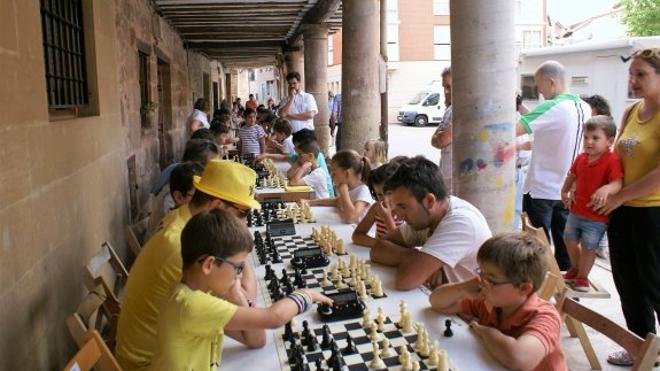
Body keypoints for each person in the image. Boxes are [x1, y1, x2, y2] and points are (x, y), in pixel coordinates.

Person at [116, 160, 263, 370]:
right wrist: (239, 248)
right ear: (216, 206)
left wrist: (234, 247)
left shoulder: (183, 221)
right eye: (242, 213)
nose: (245, 222)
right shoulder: (184, 250)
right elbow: (253, 335)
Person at [149, 209, 332, 371]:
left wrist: (236, 295)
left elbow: (257, 341)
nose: (239, 276)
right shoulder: (193, 306)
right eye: (238, 268)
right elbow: (274, 318)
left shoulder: (195, 293)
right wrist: (307, 294)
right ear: (209, 264)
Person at [593, 48, 660, 367]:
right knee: (628, 284)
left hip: (653, 213)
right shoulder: (632, 112)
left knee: (654, 282)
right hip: (623, 212)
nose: (632, 80)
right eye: (631, 74)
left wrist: (620, 196)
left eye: (641, 74)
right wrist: (605, 184)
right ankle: (642, 348)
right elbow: (617, 158)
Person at [429, 233, 566, 371]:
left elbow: (519, 359)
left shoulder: (546, 317)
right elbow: (437, 303)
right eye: (480, 272)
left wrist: (485, 332)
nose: (480, 282)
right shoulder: (490, 302)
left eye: (490, 279)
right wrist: (462, 288)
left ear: (523, 288)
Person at [370, 156, 492, 291]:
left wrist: (420, 263)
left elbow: (405, 281)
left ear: (429, 201)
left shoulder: (461, 222)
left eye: (403, 206)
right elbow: (378, 249)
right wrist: (417, 257)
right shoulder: (426, 216)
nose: (397, 214)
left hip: (467, 311)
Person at [516, 60, 592, 271]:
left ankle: (540, 291)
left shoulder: (552, 106)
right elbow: (553, 137)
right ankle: (566, 292)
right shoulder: (584, 108)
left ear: (551, 82)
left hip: (541, 189)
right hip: (568, 191)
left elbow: (513, 129)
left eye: (540, 87)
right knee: (565, 242)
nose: (541, 93)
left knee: (535, 247)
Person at [560, 116, 622, 292]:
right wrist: (564, 191)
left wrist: (607, 189)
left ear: (609, 141)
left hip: (596, 216)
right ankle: (576, 268)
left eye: (595, 138)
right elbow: (572, 176)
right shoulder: (581, 158)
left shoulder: (612, 160)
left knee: (589, 247)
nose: (589, 142)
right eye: (586, 137)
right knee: (569, 240)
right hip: (576, 210)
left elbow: (618, 183)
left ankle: (582, 277)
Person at [308, 149, 374, 224]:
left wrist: (344, 193)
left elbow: (351, 219)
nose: (331, 176)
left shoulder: (363, 190)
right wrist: (311, 202)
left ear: (347, 173)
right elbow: (337, 201)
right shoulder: (350, 188)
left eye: (334, 173)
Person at [352, 161, 405, 248]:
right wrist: (380, 244)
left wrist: (387, 218)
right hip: (380, 254)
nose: (385, 199)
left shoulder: (405, 211)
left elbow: (399, 243)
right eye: (379, 194)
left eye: (389, 193)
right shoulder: (376, 208)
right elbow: (357, 236)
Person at [430, 67, 453, 191]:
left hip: (455, 175)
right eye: (444, 87)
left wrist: (439, 136)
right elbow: (434, 140)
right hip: (447, 171)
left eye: (449, 87)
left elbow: (441, 140)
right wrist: (438, 137)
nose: (446, 92)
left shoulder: (460, 109)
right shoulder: (450, 109)